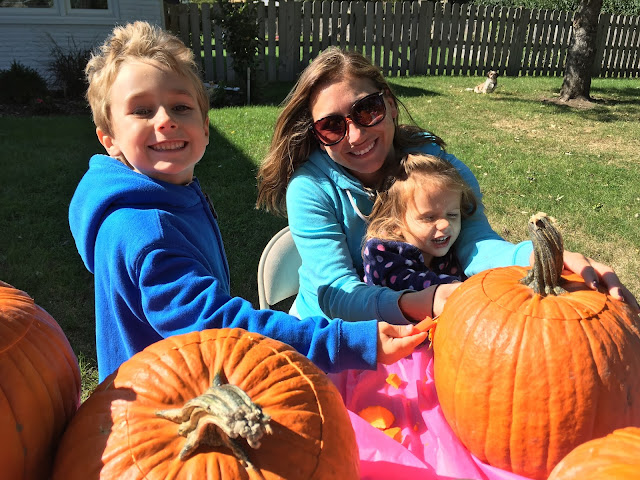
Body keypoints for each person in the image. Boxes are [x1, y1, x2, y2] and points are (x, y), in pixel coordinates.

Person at [68, 22, 426, 382]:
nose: (165, 121)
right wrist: (348, 342)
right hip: (162, 406)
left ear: (205, 127)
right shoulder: (147, 232)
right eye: (142, 110)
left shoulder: (168, 196)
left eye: (180, 106)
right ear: (109, 139)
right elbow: (220, 330)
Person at [256, 46, 638, 324]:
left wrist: (534, 258)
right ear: (317, 134)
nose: (355, 135)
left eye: (367, 110)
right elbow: (337, 293)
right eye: (331, 125)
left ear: (389, 104)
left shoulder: (438, 169)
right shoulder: (311, 188)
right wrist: (427, 300)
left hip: (422, 322)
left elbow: (474, 243)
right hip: (330, 335)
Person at [362, 153, 475, 310]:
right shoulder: (381, 251)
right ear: (395, 223)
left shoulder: (446, 249)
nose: (445, 224)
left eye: (452, 215)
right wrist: (462, 287)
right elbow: (407, 283)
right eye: (429, 217)